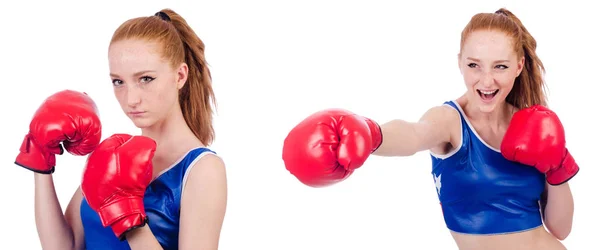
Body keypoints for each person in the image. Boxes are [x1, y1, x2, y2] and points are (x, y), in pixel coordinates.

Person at [282, 8, 577, 250]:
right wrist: (373, 135)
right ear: (460, 63)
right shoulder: (450, 121)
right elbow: (413, 134)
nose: (486, 81)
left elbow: (560, 230)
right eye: (475, 65)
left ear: (519, 65)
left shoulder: (535, 126)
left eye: (500, 66)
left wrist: (558, 168)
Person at [17, 9, 227, 250]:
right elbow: (66, 246)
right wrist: (41, 160)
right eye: (119, 81)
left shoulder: (202, 169)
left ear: (180, 76)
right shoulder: (113, 155)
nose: (131, 99)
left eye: (145, 79)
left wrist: (127, 216)